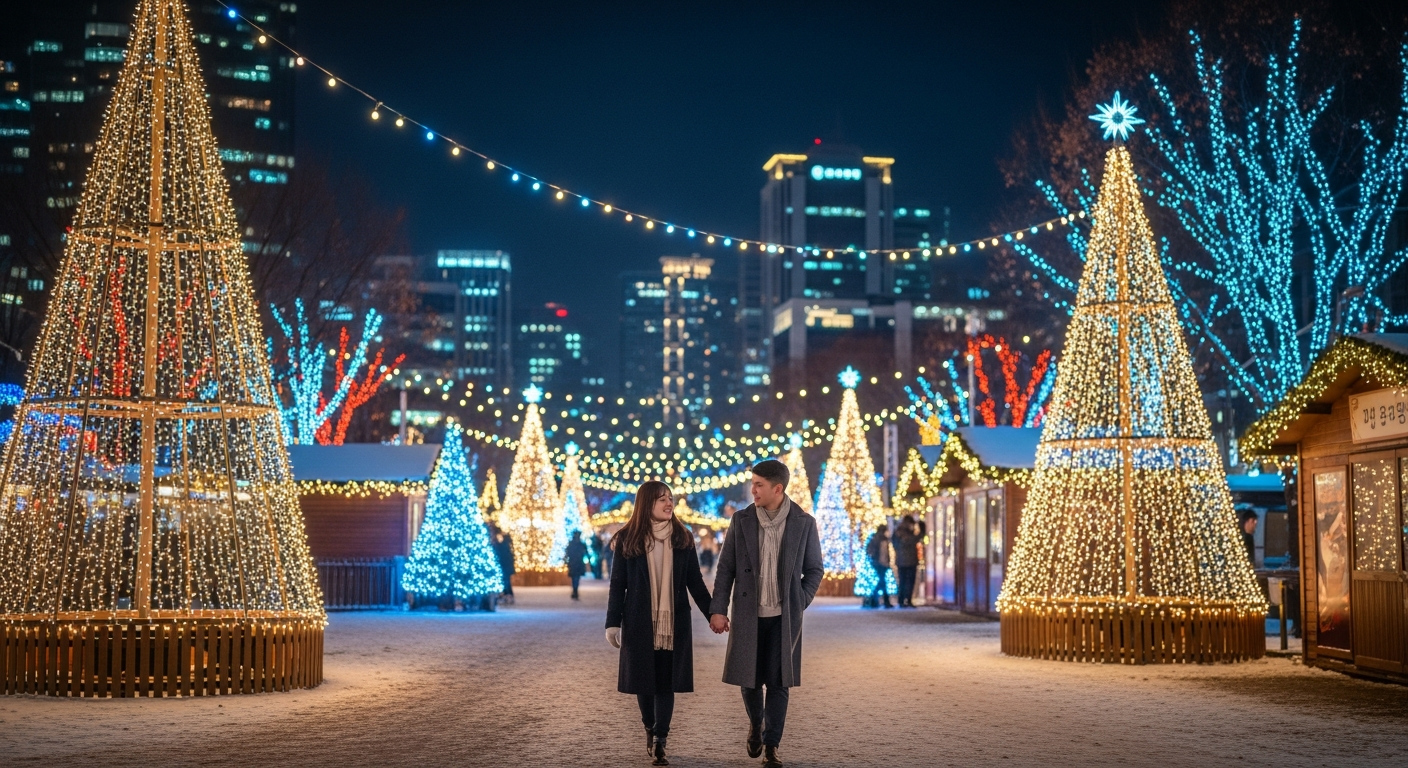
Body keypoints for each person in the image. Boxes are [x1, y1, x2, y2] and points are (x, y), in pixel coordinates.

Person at [710, 459, 824, 768]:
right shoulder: (741, 520)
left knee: (778, 682)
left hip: (784, 617)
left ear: (778, 488)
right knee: (749, 680)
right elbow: (726, 569)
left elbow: (814, 570)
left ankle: (772, 746)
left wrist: (800, 599)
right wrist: (718, 609)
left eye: (759, 484)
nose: (753, 489)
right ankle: (756, 723)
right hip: (749, 613)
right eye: (753, 483)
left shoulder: (803, 522)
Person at [606, 481, 713, 767]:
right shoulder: (628, 538)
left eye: (670, 498)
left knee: (666, 683)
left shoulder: (683, 536)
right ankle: (649, 728)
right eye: (662, 499)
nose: (669, 503)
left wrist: (714, 613)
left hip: (673, 623)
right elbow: (618, 585)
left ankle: (661, 739)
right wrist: (612, 623)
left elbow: (695, 583)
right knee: (643, 681)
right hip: (640, 620)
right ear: (646, 504)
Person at [892, 515, 926, 608]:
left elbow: (895, 544)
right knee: (909, 581)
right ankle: (906, 600)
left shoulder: (897, 532)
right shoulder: (906, 534)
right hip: (910, 561)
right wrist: (922, 528)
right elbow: (915, 539)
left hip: (902, 561)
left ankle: (902, 600)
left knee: (903, 581)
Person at [865, 524, 893, 609]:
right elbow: (884, 553)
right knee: (882, 582)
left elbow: (869, 550)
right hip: (881, 563)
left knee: (882, 582)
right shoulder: (883, 539)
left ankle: (876, 600)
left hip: (877, 563)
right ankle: (879, 600)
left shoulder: (874, 538)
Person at [492, 526, 516, 606]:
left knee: (505, 581)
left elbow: (503, 556)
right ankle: (507, 595)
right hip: (506, 566)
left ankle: (507, 595)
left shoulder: (502, 546)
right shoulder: (506, 545)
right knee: (506, 581)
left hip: (504, 566)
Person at [566, 530, 588, 600]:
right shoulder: (580, 544)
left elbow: (568, 553)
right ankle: (575, 590)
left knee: (574, 578)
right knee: (576, 578)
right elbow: (585, 552)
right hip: (578, 563)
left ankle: (575, 590)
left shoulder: (572, 544)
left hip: (573, 562)